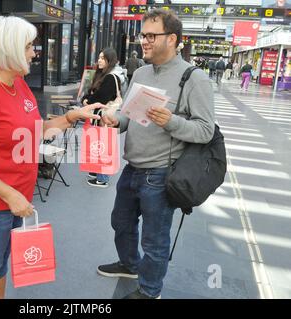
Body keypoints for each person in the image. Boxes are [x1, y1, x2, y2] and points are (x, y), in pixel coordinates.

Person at [0, 16, 102, 299]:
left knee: (1, 261)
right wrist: (10, 195)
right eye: (29, 46)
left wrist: (69, 117)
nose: (35, 52)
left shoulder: (17, 83)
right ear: (9, 48)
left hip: (17, 194)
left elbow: (34, 131)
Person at [99, 9, 215, 299]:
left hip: (161, 174)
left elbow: (205, 131)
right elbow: (128, 117)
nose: (144, 42)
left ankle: (150, 290)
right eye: (143, 35)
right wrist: (115, 122)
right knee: (121, 222)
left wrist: (171, 121)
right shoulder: (140, 73)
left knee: (155, 239)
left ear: (172, 38)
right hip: (132, 167)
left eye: (151, 36)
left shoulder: (193, 78)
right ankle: (129, 264)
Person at [81, 48, 123, 188]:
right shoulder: (101, 75)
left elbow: (101, 98)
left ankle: (103, 178)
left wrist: (87, 101)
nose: (99, 60)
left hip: (104, 118)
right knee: (96, 144)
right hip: (96, 116)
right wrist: (87, 99)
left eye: (103, 58)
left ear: (109, 61)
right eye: (99, 57)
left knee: (103, 146)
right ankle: (95, 171)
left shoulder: (111, 77)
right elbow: (91, 93)